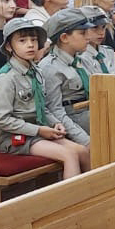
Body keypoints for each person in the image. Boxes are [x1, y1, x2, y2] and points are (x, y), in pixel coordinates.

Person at [0, 18, 90, 179]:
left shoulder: (35, 71)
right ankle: (72, 202)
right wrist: (38, 130)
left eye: (34, 40)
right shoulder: (7, 78)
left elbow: (42, 107)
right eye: (22, 41)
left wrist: (55, 123)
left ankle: (93, 195)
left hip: (39, 132)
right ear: (9, 46)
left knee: (82, 150)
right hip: (17, 139)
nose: (30, 44)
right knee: (69, 155)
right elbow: (2, 119)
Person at [37, 8, 95, 143]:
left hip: (94, 118)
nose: (88, 37)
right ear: (64, 38)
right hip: (74, 126)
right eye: (82, 33)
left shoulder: (84, 59)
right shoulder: (50, 68)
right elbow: (55, 111)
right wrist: (85, 140)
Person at [79, 5, 115, 76]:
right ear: (82, 30)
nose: (101, 32)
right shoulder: (80, 57)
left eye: (103, 27)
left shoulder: (109, 52)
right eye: (95, 27)